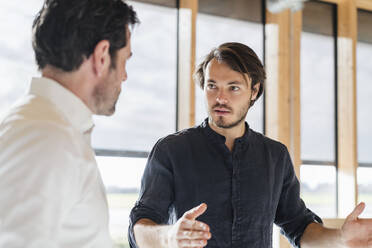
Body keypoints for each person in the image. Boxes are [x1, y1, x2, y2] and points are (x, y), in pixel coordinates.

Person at [129, 42, 372, 248]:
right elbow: (140, 227)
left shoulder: (275, 156)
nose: (220, 98)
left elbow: (298, 225)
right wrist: (169, 236)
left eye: (233, 88)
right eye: (212, 86)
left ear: (254, 91)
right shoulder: (171, 150)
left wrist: (340, 237)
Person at [0, 0, 138, 247]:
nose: (125, 76)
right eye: (125, 60)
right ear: (102, 55)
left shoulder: (44, 126)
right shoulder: (47, 139)